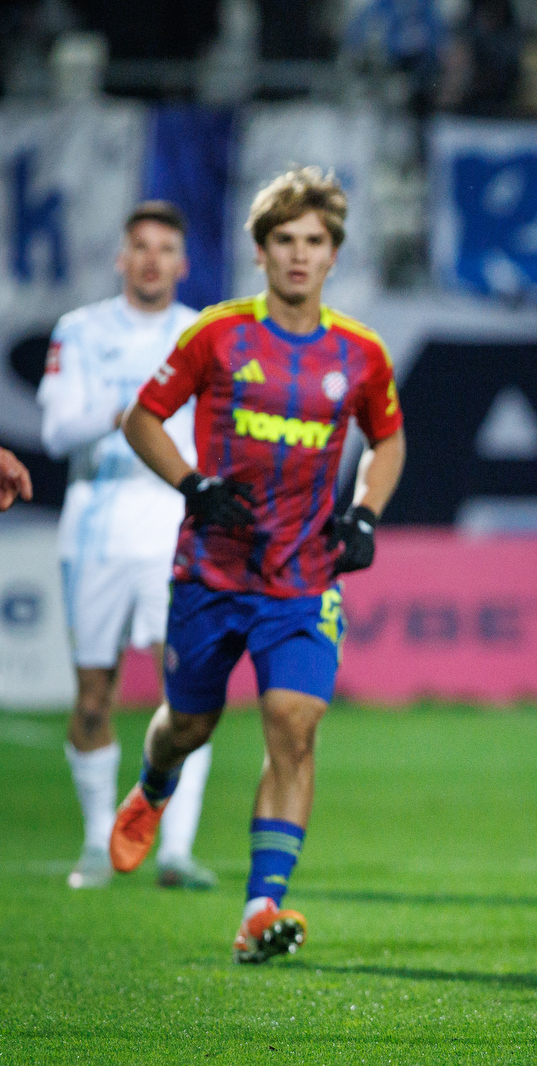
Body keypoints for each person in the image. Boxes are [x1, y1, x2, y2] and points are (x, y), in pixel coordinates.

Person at [114, 167, 407, 962]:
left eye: (315, 241)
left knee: (295, 725)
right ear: (260, 249)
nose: (300, 256)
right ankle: (154, 783)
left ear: (334, 254)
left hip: (305, 578)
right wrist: (192, 484)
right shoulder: (217, 334)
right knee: (191, 725)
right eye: (285, 240)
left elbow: (389, 439)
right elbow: (142, 417)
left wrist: (367, 514)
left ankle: (260, 909)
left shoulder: (362, 353)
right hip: (211, 572)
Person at [37, 202, 217, 892]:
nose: (150, 259)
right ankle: (93, 844)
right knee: (92, 697)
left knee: (189, 697)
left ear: (181, 262)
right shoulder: (80, 332)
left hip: (176, 531)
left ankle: (174, 849)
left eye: (164, 248)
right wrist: (129, 415)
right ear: (121, 258)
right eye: (139, 246)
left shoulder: (202, 334)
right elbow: (55, 432)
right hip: (97, 531)